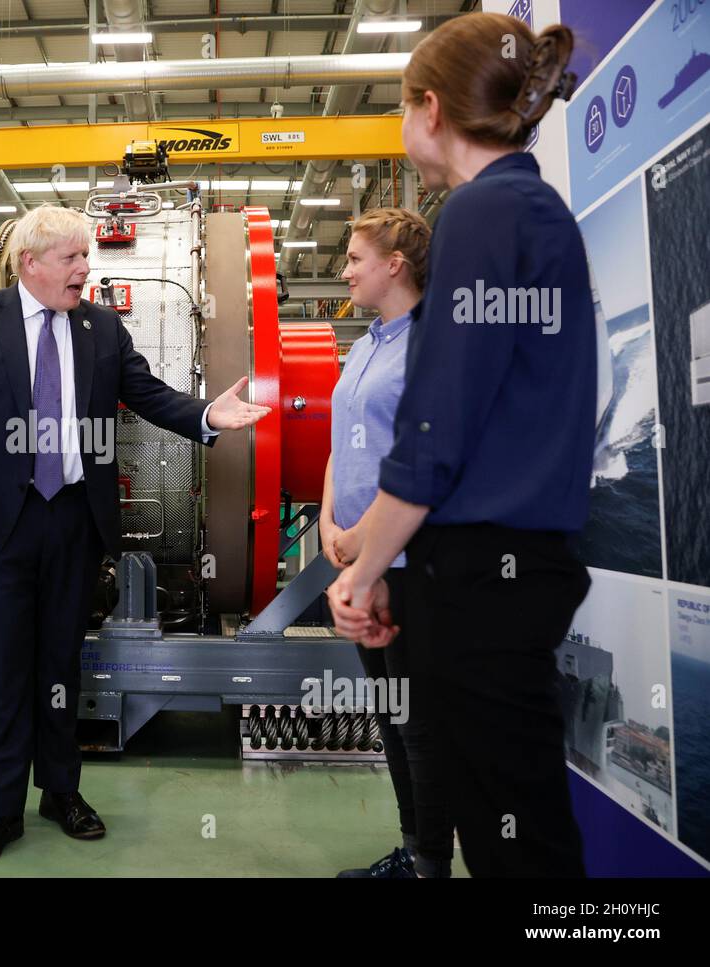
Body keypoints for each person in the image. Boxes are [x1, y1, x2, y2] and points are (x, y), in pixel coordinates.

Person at [0, 204, 270, 866]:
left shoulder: (99, 328)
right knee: (5, 669)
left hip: (75, 521)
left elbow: (149, 394)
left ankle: (62, 790)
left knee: (60, 664)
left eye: (86, 256)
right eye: (73, 258)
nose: (86, 268)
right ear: (31, 263)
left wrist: (208, 415)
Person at [327, 14, 592, 877]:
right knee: (518, 827)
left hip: (484, 576)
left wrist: (362, 573)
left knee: (515, 837)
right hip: (503, 569)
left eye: (403, 107)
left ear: (429, 108)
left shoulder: (481, 211)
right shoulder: (528, 207)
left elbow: (437, 431)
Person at [319, 209, 453, 878]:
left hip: (405, 564)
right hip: (359, 560)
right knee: (391, 712)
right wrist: (326, 523)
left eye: (354, 258)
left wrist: (360, 540)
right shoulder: (368, 341)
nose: (344, 269)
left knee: (419, 722)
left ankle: (430, 859)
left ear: (394, 264)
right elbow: (342, 443)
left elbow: (420, 466)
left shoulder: (431, 344)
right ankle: (412, 846)